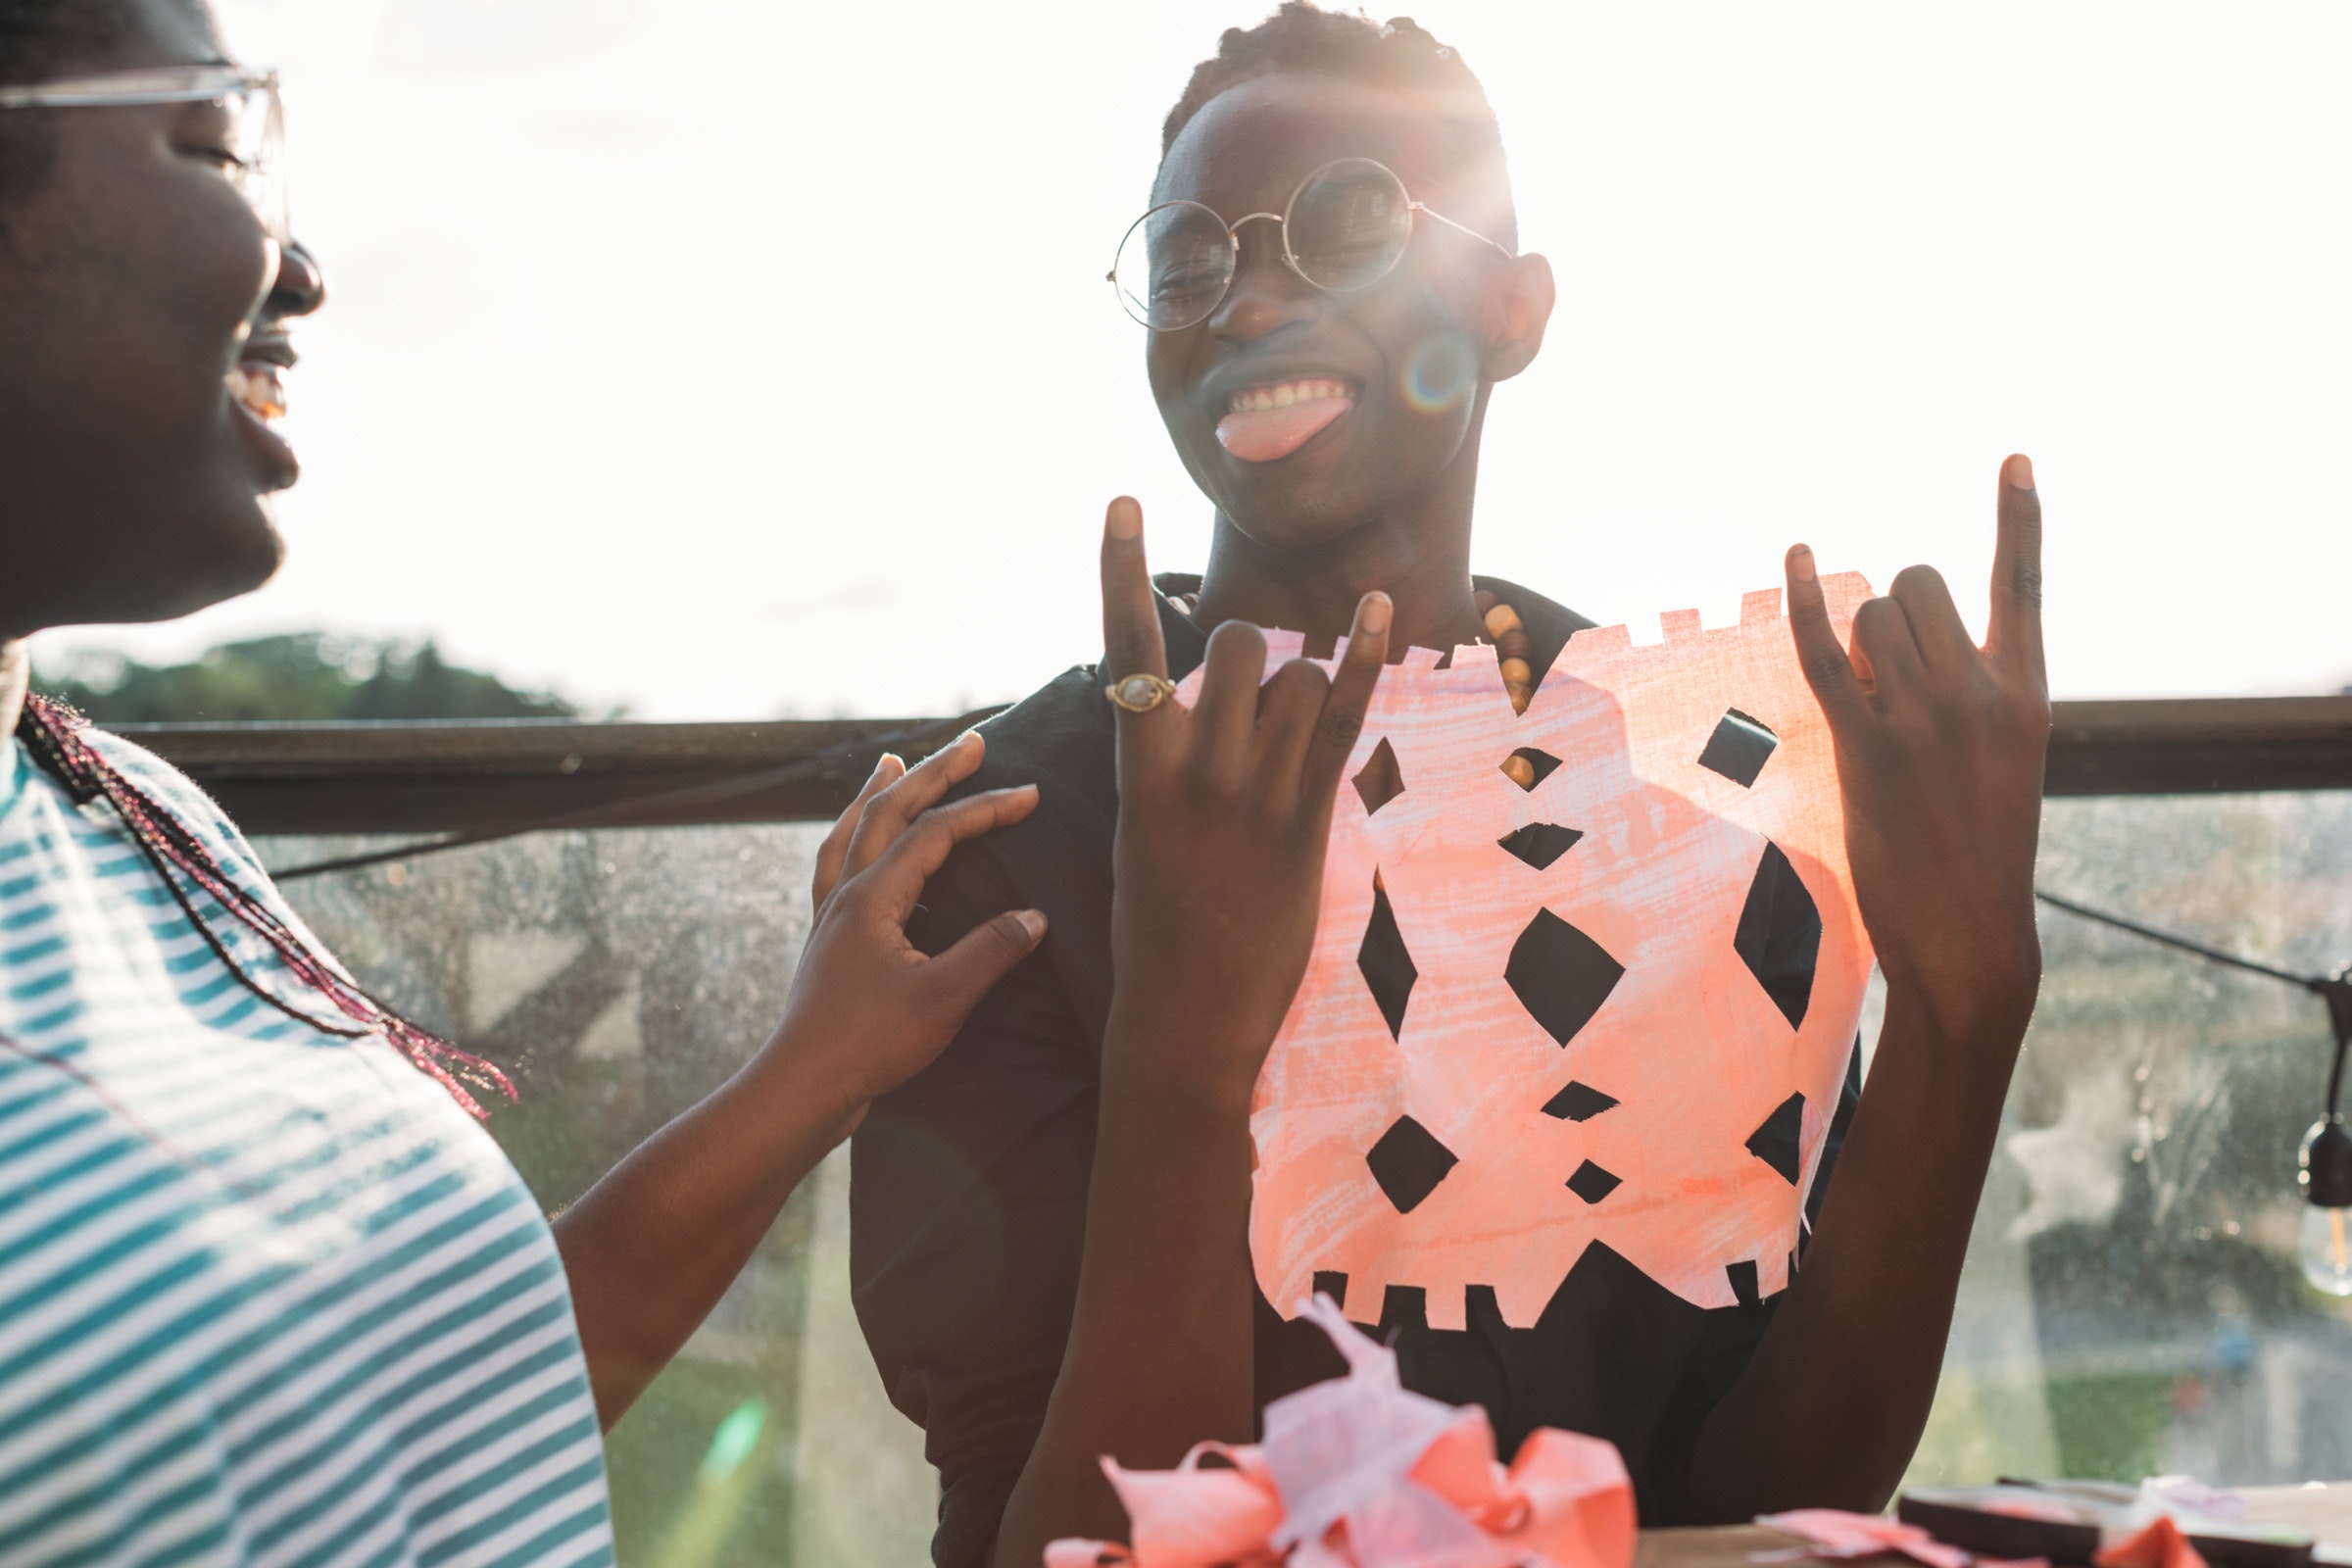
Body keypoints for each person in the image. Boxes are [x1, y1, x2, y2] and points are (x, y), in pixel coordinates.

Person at [0, 2, 1300, 1561]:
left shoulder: (136, 826)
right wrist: (1188, 1043)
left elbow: (438, 1404)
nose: (302, 267)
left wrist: (812, 1073)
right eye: (215, 139)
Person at [849, 7, 2052, 1566]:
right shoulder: (1001, 845)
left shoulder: (1675, 787)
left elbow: (1760, 1506)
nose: (1253, 295)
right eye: (1192, 257)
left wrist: (1965, 1021)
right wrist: (1189, 1057)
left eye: (1349, 224)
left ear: (1511, 308)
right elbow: (1037, 1542)